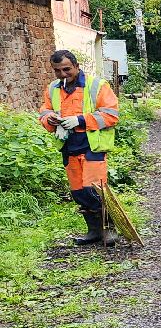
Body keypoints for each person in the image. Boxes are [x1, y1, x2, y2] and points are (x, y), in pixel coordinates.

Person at [37, 49, 121, 246]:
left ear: (76, 66)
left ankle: (109, 229)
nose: (63, 74)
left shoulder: (96, 85)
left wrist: (79, 120)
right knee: (78, 192)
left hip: (93, 146)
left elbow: (111, 115)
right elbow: (44, 111)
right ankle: (94, 231)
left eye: (67, 69)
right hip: (69, 147)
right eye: (57, 71)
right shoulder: (52, 89)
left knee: (94, 190)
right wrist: (50, 119)